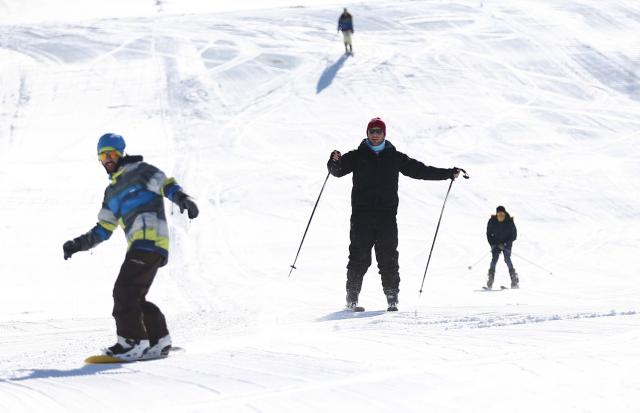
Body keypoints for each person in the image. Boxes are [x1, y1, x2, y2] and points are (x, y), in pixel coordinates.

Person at [62, 133, 199, 361]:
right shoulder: (112, 192)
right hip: (141, 245)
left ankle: (131, 343)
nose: (107, 159)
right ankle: (158, 340)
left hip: (151, 240)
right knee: (133, 296)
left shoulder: (141, 171)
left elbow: (166, 184)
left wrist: (184, 198)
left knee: (123, 291)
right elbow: (104, 228)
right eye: (102, 156)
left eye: (111, 154)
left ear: (121, 153)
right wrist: (77, 244)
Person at [328, 117, 461, 311]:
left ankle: (392, 298)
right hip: (361, 217)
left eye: (378, 131)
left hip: (386, 218)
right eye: (371, 131)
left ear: (384, 134)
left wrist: (447, 173)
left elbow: (420, 170)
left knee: (388, 258)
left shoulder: (394, 157)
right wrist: (334, 161)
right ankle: (352, 298)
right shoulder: (357, 156)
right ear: (367, 133)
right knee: (358, 258)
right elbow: (337, 171)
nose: (375, 135)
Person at [486, 205, 519, 289]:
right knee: (494, 259)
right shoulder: (492, 221)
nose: (501, 216)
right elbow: (489, 234)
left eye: (502, 215)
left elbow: (514, 236)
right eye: (499, 215)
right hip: (496, 243)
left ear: (505, 214)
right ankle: (490, 280)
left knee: (507, 259)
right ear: (496, 214)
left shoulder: (509, 221)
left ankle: (514, 280)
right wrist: (492, 244)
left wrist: (505, 244)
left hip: (506, 244)